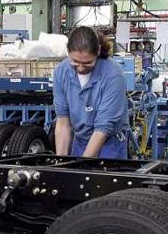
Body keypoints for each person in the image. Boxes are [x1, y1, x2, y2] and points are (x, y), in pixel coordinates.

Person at [53, 26, 130, 159]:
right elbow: (63, 122)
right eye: (75, 62)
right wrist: (60, 161)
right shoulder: (61, 72)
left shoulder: (113, 75)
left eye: (88, 63)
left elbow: (103, 128)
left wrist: (83, 164)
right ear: (68, 52)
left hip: (109, 143)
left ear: (98, 51)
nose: (81, 68)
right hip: (80, 141)